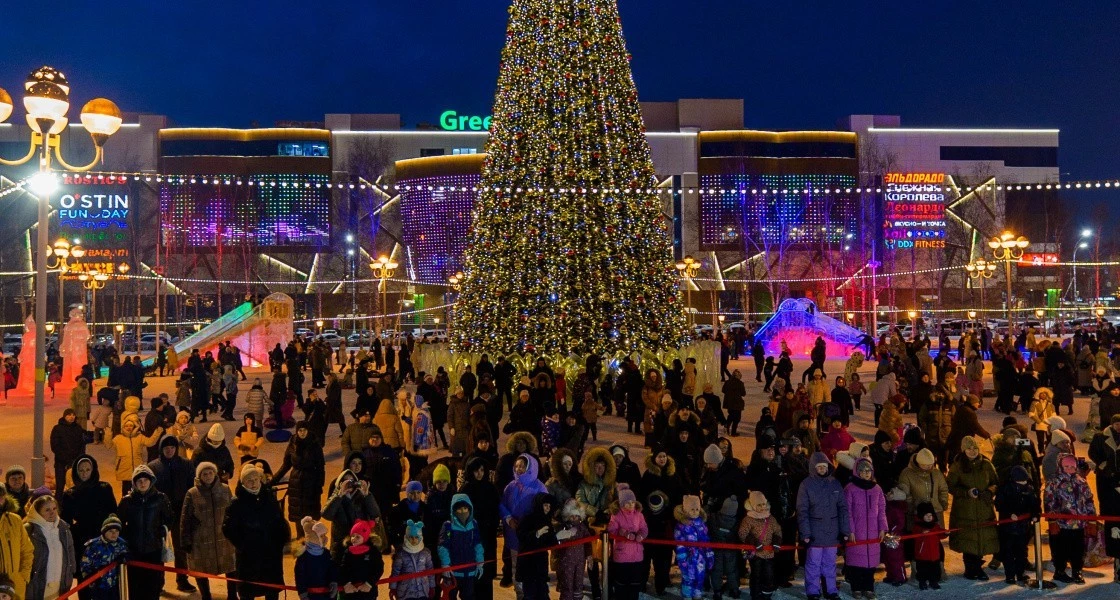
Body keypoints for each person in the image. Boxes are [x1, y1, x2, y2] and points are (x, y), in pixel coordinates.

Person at [223, 462, 290, 600]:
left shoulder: (269, 497)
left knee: (271, 590)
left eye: (255, 479)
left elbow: (279, 521)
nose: (253, 483)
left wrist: (280, 540)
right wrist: (243, 545)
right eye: (249, 480)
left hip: (270, 554)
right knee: (248, 592)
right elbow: (228, 528)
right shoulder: (236, 503)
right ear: (243, 483)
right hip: (249, 557)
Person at [147, 435, 198, 593]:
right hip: (159, 513)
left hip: (180, 511)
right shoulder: (153, 467)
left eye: (172, 448)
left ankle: (182, 579)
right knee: (159, 548)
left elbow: (191, 488)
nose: (169, 450)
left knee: (181, 547)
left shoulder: (186, 464)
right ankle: (157, 583)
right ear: (161, 449)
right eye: (166, 448)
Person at [180, 462, 237, 600]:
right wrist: (185, 540)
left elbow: (233, 513)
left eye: (210, 473)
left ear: (215, 473)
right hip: (201, 539)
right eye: (204, 474)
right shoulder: (192, 493)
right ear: (199, 476)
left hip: (223, 537)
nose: (208, 476)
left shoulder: (225, 489)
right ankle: (206, 596)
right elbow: (185, 519)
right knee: (201, 569)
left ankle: (232, 595)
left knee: (231, 567)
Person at [117, 465, 175, 600]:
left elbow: (170, 518)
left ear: (151, 481)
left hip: (153, 550)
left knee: (153, 587)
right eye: (139, 481)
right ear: (134, 483)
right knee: (135, 588)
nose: (142, 483)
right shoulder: (127, 501)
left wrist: (162, 530)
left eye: (145, 480)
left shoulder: (160, 499)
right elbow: (118, 521)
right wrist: (126, 535)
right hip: (134, 551)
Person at [797, 452, 849, 600]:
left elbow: (842, 509)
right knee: (813, 563)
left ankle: (830, 590)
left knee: (830, 563)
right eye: (819, 467)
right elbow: (802, 510)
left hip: (832, 532)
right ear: (814, 468)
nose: (822, 469)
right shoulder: (806, 485)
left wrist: (844, 530)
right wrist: (805, 533)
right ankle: (813, 591)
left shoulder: (835, 483)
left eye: (824, 466)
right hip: (814, 532)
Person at [947, 435, 1000, 580]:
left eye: (975, 448)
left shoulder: (986, 464)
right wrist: (966, 492)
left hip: (983, 507)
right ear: (963, 450)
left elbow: (995, 482)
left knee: (981, 539)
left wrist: (989, 491)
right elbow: (950, 486)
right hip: (965, 509)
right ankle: (971, 569)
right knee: (969, 541)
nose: (972, 451)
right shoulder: (957, 466)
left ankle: (978, 567)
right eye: (969, 449)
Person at [1044, 454, 1096, 585]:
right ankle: (1060, 571)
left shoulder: (1081, 481)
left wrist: (1091, 518)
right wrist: (1052, 520)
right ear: (1061, 466)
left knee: (1078, 549)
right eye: (1066, 466)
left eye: (1072, 466)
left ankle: (1077, 570)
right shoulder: (1054, 482)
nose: (1069, 469)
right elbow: (1049, 501)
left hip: (1079, 523)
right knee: (1060, 548)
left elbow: (1089, 499)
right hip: (1062, 524)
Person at [499, 454, 546, 594]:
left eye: (522, 466)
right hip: (514, 535)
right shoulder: (510, 486)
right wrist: (508, 519)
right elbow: (502, 505)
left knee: (532, 569)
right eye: (517, 466)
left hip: (532, 537)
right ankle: (520, 595)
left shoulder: (539, 487)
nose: (519, 469)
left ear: (530, 467)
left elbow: (545, 509)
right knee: (516, 569)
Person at [844, 458, 887, 599]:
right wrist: (850, 530)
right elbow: (847, 511)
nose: (866, 473)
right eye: (862, 470)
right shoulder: (850, 488)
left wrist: (882, 528)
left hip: (873, 532)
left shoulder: (877, 489)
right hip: (857, 532)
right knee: (856, 563)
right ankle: (856, 587)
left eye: (868, 470)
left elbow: (881, 510)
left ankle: (869, 587)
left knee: (870, 563)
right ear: (857, 472)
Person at [460, 458, 499, 600]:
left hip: (487, 538)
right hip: (471, 538)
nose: (479, 474)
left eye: (482, 470)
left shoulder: (490, 488)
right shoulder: (465, 490)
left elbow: (496, 511)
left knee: (486, 577)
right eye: (476, 470)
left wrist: (491, 525)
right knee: (472, 578)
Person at [994, 465, 1039, 586]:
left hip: (1023, 527)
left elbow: (1034, 504)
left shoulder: (1029, 489)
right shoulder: (1005, 489)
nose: (1023, 483)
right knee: (1008, 552)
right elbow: (999, 504)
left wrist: (1035, 515)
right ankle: (1009, 575)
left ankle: (1020, 573)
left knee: (1022, 552)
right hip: (1008, 528)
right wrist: (1009, 514)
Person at [274, 421, 326, 526]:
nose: (302, 433)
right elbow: (285, 466)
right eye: (300, 430)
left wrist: (319, 485)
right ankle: (299, 538)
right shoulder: (292, 445)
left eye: (304, 430)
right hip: (295, 483)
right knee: (297, 514)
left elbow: (320, 467)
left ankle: (310, 539)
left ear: (308, 431)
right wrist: (272, 481)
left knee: (310, 515)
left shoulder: (315, 445)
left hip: (311, 483)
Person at [25, 492, 75, 600]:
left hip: (60, 583)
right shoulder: (29, 530)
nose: (52, 513)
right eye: (47, 510)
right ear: (38, 513)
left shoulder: (64, 528)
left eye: (54, 508)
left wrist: (71, 571)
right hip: (37, 584)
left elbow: (70, 551)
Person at [439, 495, 484, 600]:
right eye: (459, 509)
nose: (463, 511)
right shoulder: (448, 526)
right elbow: (443, 546)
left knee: (468, 596)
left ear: (470, 508)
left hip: (469, 571)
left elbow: (477, 544)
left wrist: (480, 562)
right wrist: (445, 564)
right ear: (454, 510)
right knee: (450, 596)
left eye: (465, 508)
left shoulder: (473, 524)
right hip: (452, 572)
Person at [739, 491, 781, 600]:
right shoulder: (748, 519)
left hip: (769, 553)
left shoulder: (770, 518)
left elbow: (777, 531)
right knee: (756, 575)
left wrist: (776, 541)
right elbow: (743, 533)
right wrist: (754, 542)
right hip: (756, 554)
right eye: (759, 505)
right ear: (752, 505)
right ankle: (756, 595)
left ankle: (766, 595)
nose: (762, 507)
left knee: (769, 575)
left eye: (763, 504)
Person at [516, 493, 556, 600]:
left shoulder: (547, 520)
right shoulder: (528, 519)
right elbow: (521, 536)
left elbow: (550, 542)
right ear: (539, 505)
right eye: (545, 505)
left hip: (541, 565)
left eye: (549, 506)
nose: (548, 508)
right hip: (528, 564)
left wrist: (557, 537)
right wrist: (536, 534)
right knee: (530, 594)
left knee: (542, 594)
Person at [79, 515, 129, 600]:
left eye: (116, 531)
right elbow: (85, 564)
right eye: (110, 531)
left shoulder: (121, 544)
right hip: (99, 585)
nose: (114, 534)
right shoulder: (94, 545)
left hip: (114, 584)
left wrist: (125, 557)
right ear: (104, 531)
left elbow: (126, 555)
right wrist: (91, 577)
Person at [673, 495, 713, 600]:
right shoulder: (681, 526)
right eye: (692, 509)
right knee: (688, 578)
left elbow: (706, 539)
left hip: (701, 557)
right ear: (685, 510)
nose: (695, 512)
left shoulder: (701, 523)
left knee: (700, 576)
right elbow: (680, 544)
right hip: (688, 557)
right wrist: (682, 559)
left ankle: (697, 594)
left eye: (697, 509)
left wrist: (709, 555)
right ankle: (687, 596)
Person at [294, 518, 337, 600]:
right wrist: (302, 593)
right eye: (322, 536)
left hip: (326, 595)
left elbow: (332, 569)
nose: (325, 538)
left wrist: (333, 582)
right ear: (313, 537)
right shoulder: (303, 557)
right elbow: (300, 576)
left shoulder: (326, 553)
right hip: (311, 596)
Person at [391, 520, 435, 600]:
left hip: (423, 590)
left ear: (420, 537)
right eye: (411, 537)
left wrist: (432, 586)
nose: (414, 540)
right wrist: (393, 588)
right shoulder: (401, 554)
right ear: (406, 537)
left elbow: (430, 571)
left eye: (416, 537)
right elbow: (395, 572)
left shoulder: (425, 553)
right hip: (406, 592)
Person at [339, 519, 381, 600]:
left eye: (358, 536)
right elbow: (343, 569)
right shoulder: (348, 552)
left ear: (365, 537)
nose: (354, 539)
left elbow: (378, 569)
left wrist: (369, 584)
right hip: (352, 591)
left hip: (368, 592)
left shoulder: (373, 552)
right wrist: (346, 583)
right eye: (352, 536)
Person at [707, 495, 740, 600]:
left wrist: (709, 505)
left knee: (716, 570)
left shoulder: (713, 518)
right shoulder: (736, 522)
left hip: (716, 549)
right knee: (732, 571)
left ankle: (717, 592)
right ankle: (734, 590)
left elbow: (703, 516)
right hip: (730, 550)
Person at [49, 409, 86, 495]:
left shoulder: (78, 428)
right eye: (69, 415)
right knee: (60, 486)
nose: (71, 417)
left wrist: (78, 458)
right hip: (61, 463)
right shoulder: (57, 428)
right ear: (64, 416)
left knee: (75, 486)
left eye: (73, 415)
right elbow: (55, 446)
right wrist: (65, 458)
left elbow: (82, 445)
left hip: (75, 462)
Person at [911, 502, 947, 590]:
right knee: (922, 570)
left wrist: (945, 533)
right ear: (921, 516)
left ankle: (933, 581)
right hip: (922, 555)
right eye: (926, 515)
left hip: (934, 555)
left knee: (934, 570)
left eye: (930, 515)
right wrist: (921, 533)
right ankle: (922, 582)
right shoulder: (917, 527)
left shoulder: (935, 526)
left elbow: (941, 535)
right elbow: (914, 536)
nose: (929, 517)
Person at [721, 370, 746, 437]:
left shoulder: (727, 382)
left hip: (729, 403)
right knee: (737, 418)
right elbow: (743, 393)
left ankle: (727, 426)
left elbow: (723, 390)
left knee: (731, 415)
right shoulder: (740, 383)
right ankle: (733, 432)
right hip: (737, 403)